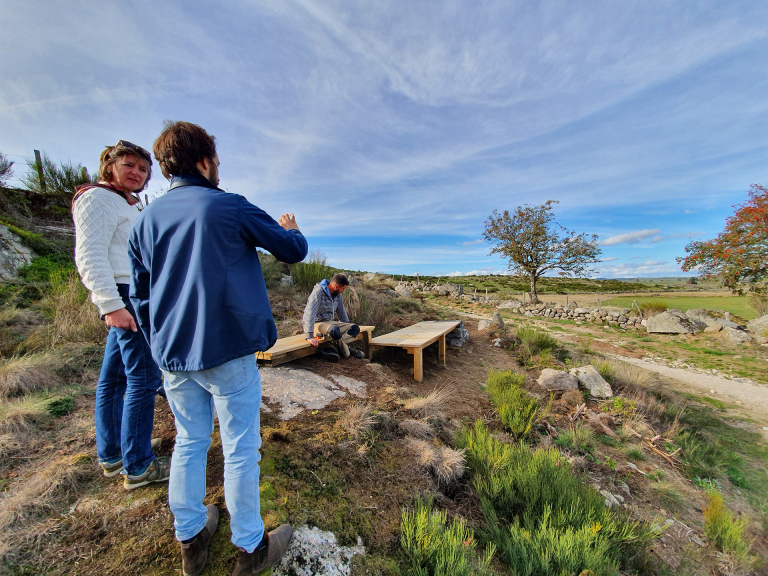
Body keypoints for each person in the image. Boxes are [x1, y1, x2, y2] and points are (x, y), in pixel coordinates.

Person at [128, 121, 308, 576]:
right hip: (226, 350)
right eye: (217, 162)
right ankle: (250, 548)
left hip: (172, 354)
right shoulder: (228, 206)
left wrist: (160, 346)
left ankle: (191, 538)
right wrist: (292, 227)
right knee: (241, 448)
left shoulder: (144, 222)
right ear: (205, 161)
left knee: (189, 441)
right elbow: (291, 251)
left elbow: (141, 297)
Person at [72, 140, 169, 490]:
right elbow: (89, 255)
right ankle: (139, 465)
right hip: (124, 294)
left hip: (129, 292)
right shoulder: (96, 198)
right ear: (109, 165)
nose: (137, 173)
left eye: (143, 169)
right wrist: (110, 304)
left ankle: (116, 454)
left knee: (114, 380)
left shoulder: (124, 203)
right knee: (144, 378)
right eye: (129, 165)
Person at [302, 273, 365, 362]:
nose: (343, 291)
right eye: (342, 288)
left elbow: (341, 311)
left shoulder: (337, 295)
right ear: (336, 286)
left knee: (354, 328)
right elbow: (310, 312)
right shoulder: (318, 292)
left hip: (329, 322)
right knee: (333, 330)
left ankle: (332, 348)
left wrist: (346, 325)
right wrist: (309, 335)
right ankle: (348, 352)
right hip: (317, 324)